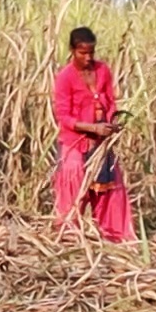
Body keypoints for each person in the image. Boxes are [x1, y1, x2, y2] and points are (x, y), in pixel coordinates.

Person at [51, 26, 135, 243]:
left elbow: (110, 101)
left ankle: (115, 234)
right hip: (75, 142)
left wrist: (112, 123)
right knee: (73, 179)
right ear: (72, 50)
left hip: (101, 142)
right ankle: (69, 233)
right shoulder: (65, 77)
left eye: (91, 52)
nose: (88, 58)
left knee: (111, 185)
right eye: (82, 53)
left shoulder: (103, 71)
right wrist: (92, 128)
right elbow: (63, 116)